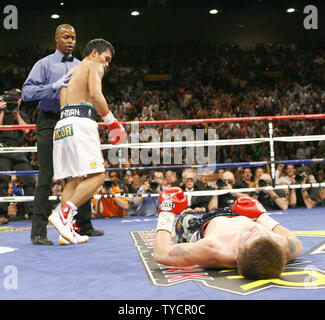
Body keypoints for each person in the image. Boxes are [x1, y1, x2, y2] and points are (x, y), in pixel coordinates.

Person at [22, 24, 103, 245]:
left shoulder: (81, 66)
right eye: (66, 37)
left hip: (75, 119)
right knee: (47, 175)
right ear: (56, 39)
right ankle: (38, 232)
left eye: (74, 37)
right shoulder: (44, 64)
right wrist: (52, 86)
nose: (70, 41)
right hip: (49, 120)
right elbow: (27, 92)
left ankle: (82, 225)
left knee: (81, 171)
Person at [47, 38, 127, 244]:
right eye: (106, 58)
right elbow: (95, 94)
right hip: (80, 123)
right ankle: (63, 214)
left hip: (63, 124)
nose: (107, 64)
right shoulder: (93, 65)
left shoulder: (70, 73)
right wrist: (113, 123)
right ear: (94, 53)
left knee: (73, 179)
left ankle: (66, 232)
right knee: (99, 176)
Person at [154, 187, 303, 280]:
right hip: (238, 213)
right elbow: (295, 242)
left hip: (202, 226)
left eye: (249, 236)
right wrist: (262, 216)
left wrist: (166, 212)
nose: (254, 229)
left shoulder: (212, 249)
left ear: (237, 254)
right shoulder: (277, 247)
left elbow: (162, 254)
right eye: (263, 234)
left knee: (184, 222)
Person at [0, 89, 36, 221]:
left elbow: (27, 130)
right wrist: (2, 111)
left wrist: (16, 115)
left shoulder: (21, 115)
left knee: (29, 179)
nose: (13, 103)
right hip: (3, 150)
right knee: (2, 180)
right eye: (11, 101)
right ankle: (1, 215)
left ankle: (31, 213)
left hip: (18, 151)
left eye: (15, 101)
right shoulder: (1, 112)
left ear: (19, 101)